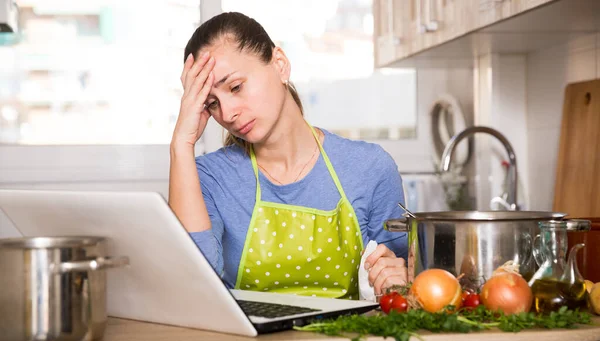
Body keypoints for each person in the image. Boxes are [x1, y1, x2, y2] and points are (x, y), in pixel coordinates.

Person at [168, 11, 407, 300]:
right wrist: (182, 143)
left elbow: (399, 282)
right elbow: (193, 287)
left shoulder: (370, 168)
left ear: (279, 64)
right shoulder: (208, 177)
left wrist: (399, 277)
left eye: (235, 87)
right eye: (212, 103)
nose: (228, 113)